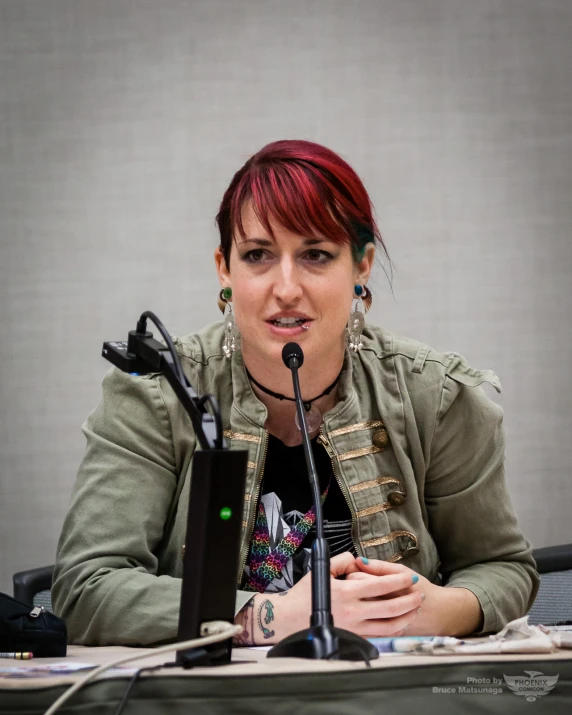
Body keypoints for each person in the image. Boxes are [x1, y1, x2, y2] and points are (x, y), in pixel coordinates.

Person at [52, 140, 539, 646]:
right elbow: (86, 588)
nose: (286, 288)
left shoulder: (434, 396)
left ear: (361, 267)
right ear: (225, 269)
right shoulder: (159, 395)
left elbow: (503, 567)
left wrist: (438, 610)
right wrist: (267, 616)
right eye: (258, 255)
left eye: (315, 254)